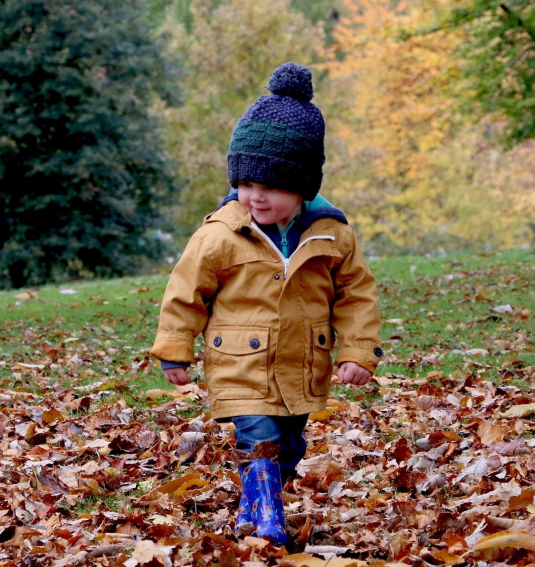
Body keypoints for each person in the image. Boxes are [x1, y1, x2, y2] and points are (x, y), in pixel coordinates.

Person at [149, 62, 382, 545]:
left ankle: (252, 507)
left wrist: (358, 352)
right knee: (259, 438)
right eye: (247, 184)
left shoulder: (331, 234)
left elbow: (356, 295)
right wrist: (175, 345)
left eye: (270, 187)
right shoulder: (221, 234)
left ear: (302, 187)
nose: (255, 196)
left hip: (301, 366)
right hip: (239, 362)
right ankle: (270, 520)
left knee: (291, 445)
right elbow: (186, 288)